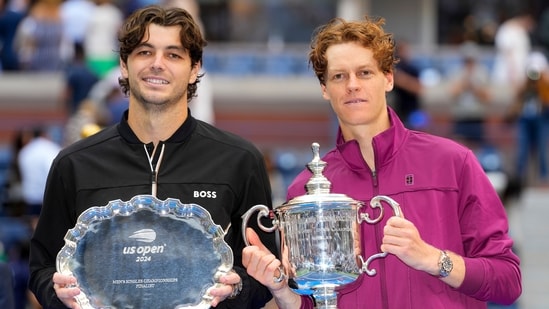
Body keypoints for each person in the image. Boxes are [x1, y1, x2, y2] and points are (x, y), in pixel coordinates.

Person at [243, 16, 521, 308]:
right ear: (324, 89)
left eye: (364, 72)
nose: (352, 85)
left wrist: (433, 259)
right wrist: (282, 291)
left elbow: (508, 280)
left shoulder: (452, 162)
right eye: (339, 76)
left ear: (388, 78)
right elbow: (315, 302)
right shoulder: (307, 192)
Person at [28, 5, 276, 309]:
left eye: (173, 54)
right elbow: (41, 268)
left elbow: (267, 271)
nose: (157, 64)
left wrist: (238, 290)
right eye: (145, 52)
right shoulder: (74, 164)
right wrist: (60, 295)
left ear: (195, 68)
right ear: (123, 65)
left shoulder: (239, 160)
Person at [506, 50, 549, 185]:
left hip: (541, 120)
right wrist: (526, 85)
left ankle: (544, 177)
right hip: (525, 120)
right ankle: (519, 178)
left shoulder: (544, 86)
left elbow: (546, 102)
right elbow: (516, 102)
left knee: (542, 149)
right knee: (522, 150)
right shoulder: (525, 85)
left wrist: (541, 85)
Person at [17, 126, 61, 218]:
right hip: (47, 197)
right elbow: (53, 171)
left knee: (35, 226)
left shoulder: (25, 151)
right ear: (45, 134)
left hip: (31, 197)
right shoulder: (50, 148)